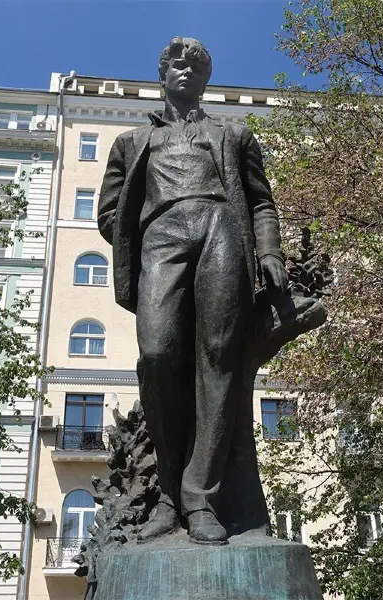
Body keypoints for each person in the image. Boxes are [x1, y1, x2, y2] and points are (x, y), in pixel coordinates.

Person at [97, 37, 288, 544]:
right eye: (178, 65)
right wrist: (137, 235)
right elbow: (109, 213)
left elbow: (261, 202)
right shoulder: (132, 143)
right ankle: (165, 494)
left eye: (196, 67)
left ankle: (199, 497)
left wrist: (270, 253)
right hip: (161, 236)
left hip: (221, 229)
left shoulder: (233, 134)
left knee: (218, 359)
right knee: (157, 354)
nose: (186, 71)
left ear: (207, 80)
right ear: (163, 75)